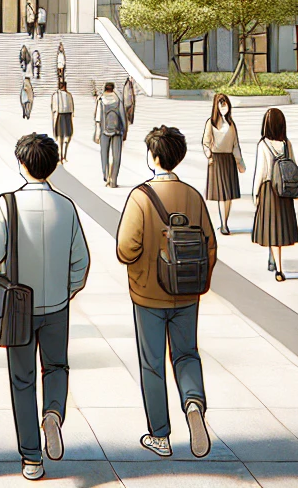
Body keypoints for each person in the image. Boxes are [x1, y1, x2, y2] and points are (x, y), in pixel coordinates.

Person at [0, 134, 90, 481]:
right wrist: (66, 291)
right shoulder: (67, 206)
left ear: (22, 164)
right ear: (53, 165)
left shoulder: (7, 204)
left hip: (19, 307)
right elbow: (81, 262)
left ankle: (32, 458)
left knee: (22, 379)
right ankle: (54, 414)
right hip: (56, 305)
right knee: (56, 367)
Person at [117, 126, 216, 460]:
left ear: (154, 156)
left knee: (153, 362)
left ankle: (160, 435)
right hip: (187, 293)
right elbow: (210, 246)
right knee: (187, 354)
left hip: (148, 294)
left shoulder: (140, 197)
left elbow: (125, 249)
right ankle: (193, 403)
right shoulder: (192, 195)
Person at [250, 108, 298, 281]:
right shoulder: (287, 144)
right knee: (280, 228)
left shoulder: (263, 145)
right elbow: (293, 166)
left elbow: (261, 172)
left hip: (269, 190)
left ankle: (279, 269)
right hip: (284, 191)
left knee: (271, 230)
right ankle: (273, 262)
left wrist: (255, 193)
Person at [200, 93, 245, 235]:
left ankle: (225, 223)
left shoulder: (231, 124)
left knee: (228, 195)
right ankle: (224, 224)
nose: (224, 107)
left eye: (225, 104)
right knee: (222, 195)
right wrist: (209, 156)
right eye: (221, 104)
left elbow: (235, 144)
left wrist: (239, 162)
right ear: (216, 106)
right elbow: (206, 142)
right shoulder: (211, 123)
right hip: (216, 160)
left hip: (229, 159)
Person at [94, 81, 130, 188]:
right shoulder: (118, 100)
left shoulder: (101, 100)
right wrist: (125, 131)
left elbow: (98, 118)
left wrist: (97, 132)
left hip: (104, 130)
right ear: (113, 89)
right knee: (116, 156)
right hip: (117, 130)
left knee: (104, 154)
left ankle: (106, 176)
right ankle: (113, 180)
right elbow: (123, 117)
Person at [51, 80, 76, 161]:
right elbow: (54, 107)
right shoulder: (56, 95)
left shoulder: (68, 95)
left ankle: (64, 154)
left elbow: (71, 106)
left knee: (67, 135)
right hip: (61, 115)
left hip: (67, 115)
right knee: (61, 136)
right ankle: (61, 154)